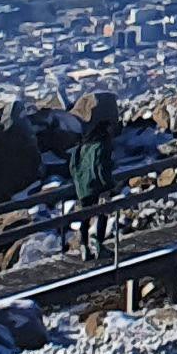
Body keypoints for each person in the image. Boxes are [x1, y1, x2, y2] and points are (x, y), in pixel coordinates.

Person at [66, 93, 122, 257]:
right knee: (103, 212)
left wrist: (78, 180)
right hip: (97, 185)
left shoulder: (83, 144)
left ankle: (83, 245)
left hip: (83, 186)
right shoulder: (102, 144)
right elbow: (100, 167)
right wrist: (109, 185)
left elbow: (73, 165)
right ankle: (98, 244)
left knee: (85, 214)